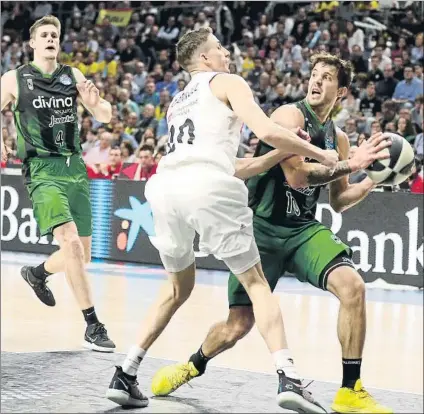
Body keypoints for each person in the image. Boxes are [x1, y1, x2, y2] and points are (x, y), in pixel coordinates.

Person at [106, 28, 340, 412]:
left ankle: (125, 372)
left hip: (165, 189)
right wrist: (319, 152)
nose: (227, 54)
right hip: (207, 188)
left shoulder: (178, 102)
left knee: (177, 288)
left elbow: (235, 164)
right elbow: (266, 130)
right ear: (204, 60)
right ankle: (288, 378)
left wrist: (273, 157)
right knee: (256, 284)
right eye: (219, 49)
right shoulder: (228, 81)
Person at [149, 53, 393, 414]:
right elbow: (299, 175)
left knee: (353, 287)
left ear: (341, 92)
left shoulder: (339, 139)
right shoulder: (288, 116)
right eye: (314, 74)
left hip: (301, 230)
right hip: (260, 229)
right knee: (238, 325)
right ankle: (192, 365)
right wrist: (350, 164)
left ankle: (349, 389)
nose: (316, 81)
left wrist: (373, 179)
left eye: (327, 78)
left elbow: (339, 200)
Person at [0, 16, 115, 352]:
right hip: (41, 169)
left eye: (55, 35)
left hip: (75, 168)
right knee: (72, 246)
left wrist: (95, 105)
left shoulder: (72, 75)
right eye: (44, 35)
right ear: (33, 43)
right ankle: (93, 325)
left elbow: (105, 115)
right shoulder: (15, 78)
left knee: (84, 253)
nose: (51, 39)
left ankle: (37, 273)